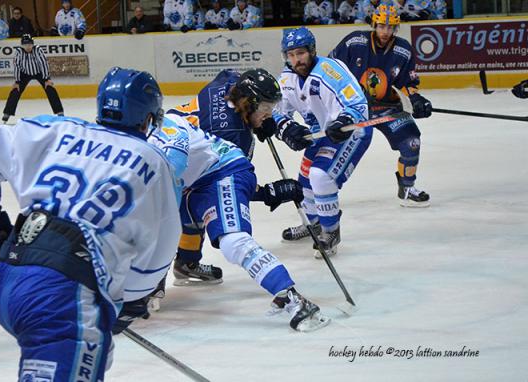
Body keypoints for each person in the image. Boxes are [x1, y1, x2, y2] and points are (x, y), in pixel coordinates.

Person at [0, 67, 182, 381]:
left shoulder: (55, 129)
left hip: (11, 278)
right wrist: (126, 300)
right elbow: (158, 254)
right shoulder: (154, 162)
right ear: (148, 120)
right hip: (65, 297)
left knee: (98, 357)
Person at [148, 70, 330, 332]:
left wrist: (274, 122)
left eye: (270, 108)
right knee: (174, 214)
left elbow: (233, 180)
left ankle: (291, 297)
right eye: (266, 108)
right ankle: (181, 266)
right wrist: (270, 191)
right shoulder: (231, 128)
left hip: (212, 171)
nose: (269, 112)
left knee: (232, 240)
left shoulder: (226, 99)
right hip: (195, 174)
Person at [272, 27, 372, 259]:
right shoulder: (286, 78)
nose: (296, 59)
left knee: (320, 176)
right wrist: (287, 128)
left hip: (351, 132)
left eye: (300, 53)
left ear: (312, 50)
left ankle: (330, 231)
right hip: (322, 134)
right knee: (305, 183)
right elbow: (276, 112)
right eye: (291, 54)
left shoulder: (330, 71)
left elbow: (358, 105)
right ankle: (314, 225)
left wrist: (345, 120)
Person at [329, 5, 433, 208]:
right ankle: (325, 190)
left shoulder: (403, 50)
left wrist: (417, 100)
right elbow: (331, 68)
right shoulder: (355, 41)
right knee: (335, 145)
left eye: (390, 27)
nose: (386, 31)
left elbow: (408, 83)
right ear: (374, 24)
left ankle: (407, 187)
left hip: (389, 108)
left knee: (412, 142)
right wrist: (350, 92)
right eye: (381, 26)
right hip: (355, 108)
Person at [2, 34, 64, 123]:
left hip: (39, 72)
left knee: (50, 88)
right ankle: (7, 113)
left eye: (29, 45)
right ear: (22, 45)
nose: (27, 47)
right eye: (25, 45)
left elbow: (43, 63)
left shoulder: (38, 50)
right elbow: (17, 66)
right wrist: (17, 81)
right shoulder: (19, 52)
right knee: (15, 91)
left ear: (33, 44)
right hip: (25, 74)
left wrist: (47, 79)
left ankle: (59, 112)